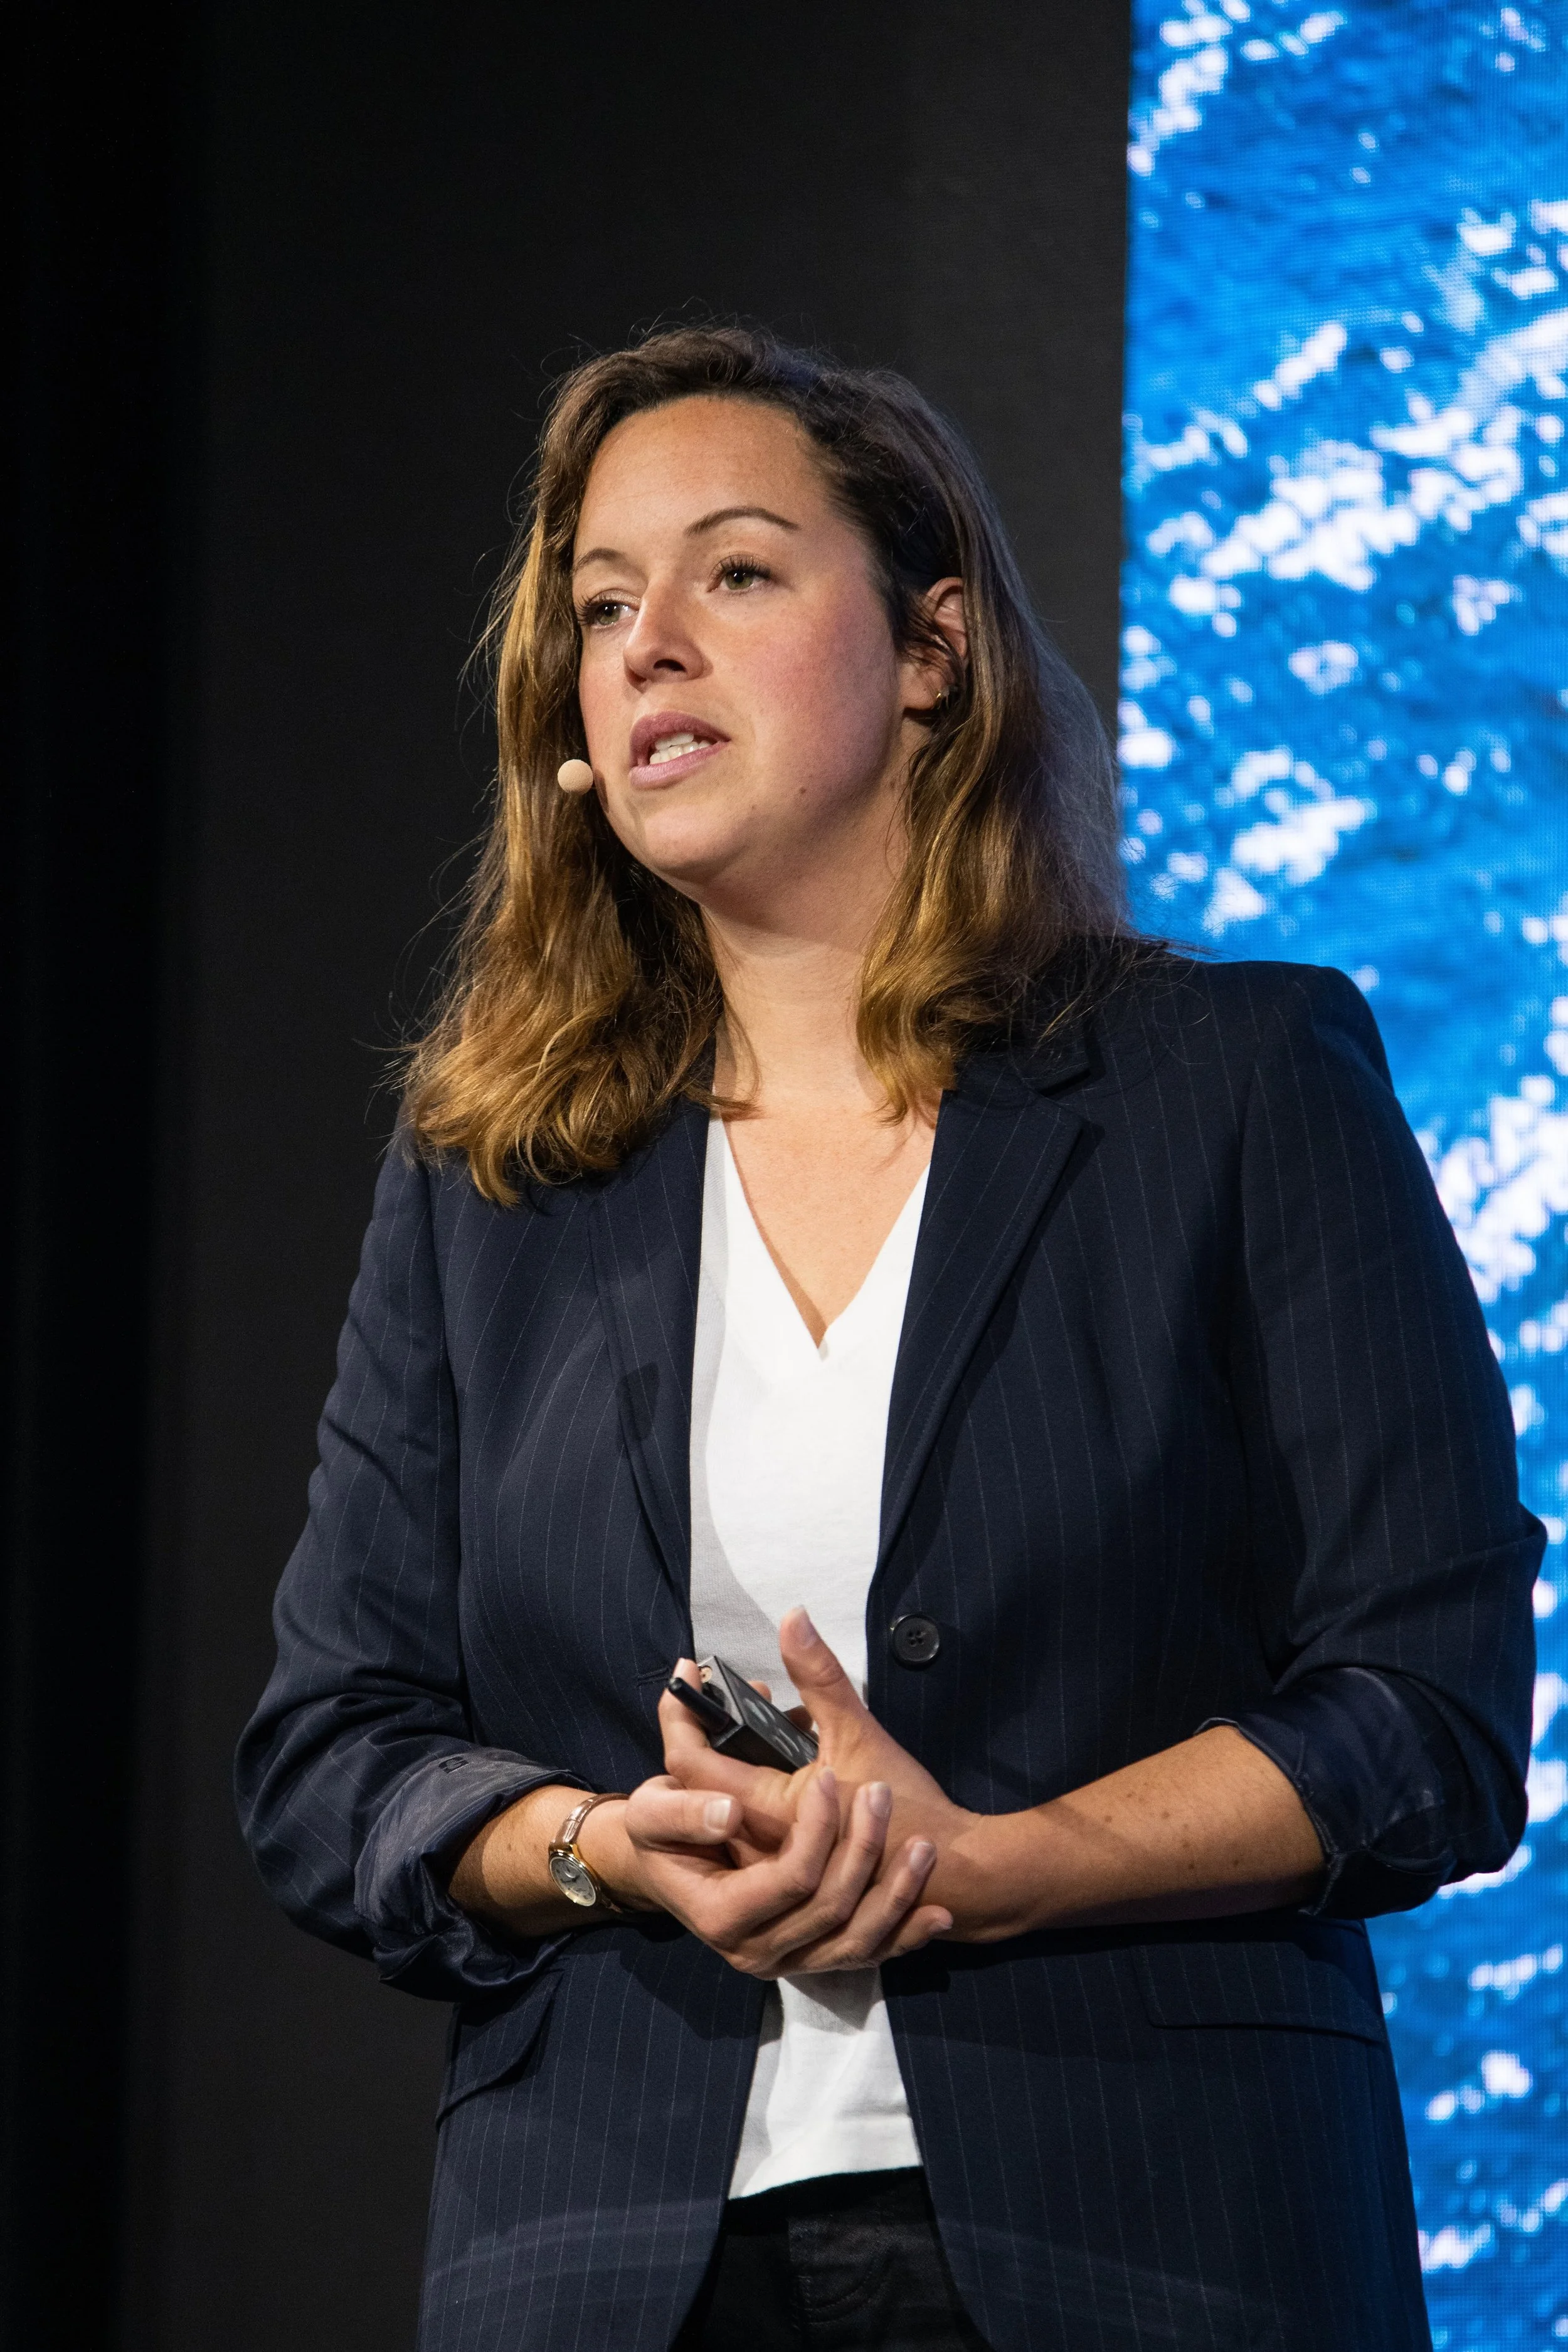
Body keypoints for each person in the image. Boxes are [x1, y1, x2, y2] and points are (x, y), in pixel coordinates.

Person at [236, 325, 1539, 2352]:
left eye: (734, 572)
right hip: (609, 2263)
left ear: (932, 647)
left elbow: (1428, 1709)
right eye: (600, 603)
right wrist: (596, 1847)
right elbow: (334, 1752)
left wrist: (995, 1865)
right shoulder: (492, 1176)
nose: (648, 638)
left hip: (1155, 2235)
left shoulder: (1236, 1079)